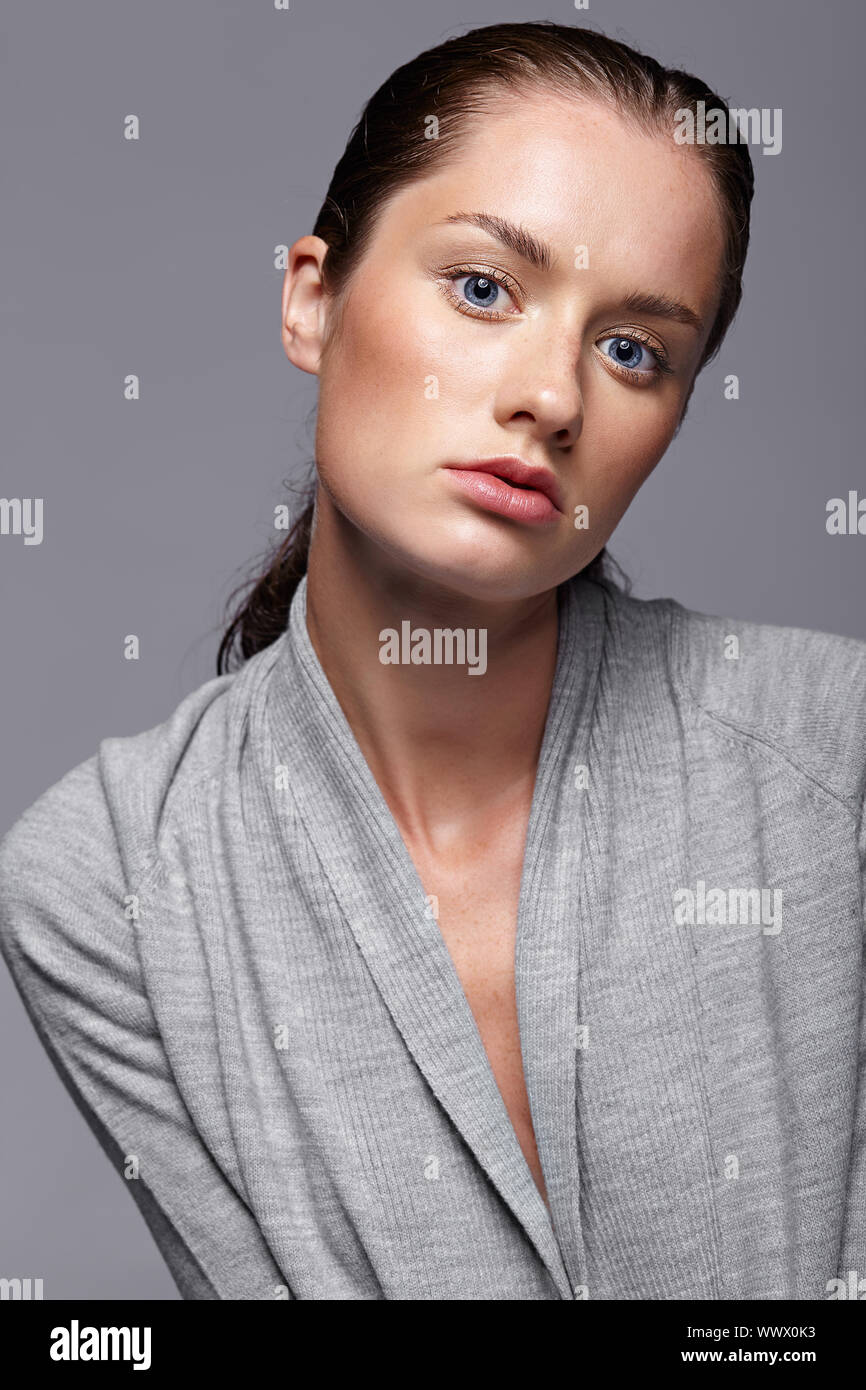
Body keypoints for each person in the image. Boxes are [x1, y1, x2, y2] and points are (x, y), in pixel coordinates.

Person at [1, 20, 864, 1301]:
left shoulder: (833, 761)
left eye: (633, 350)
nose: (552, 397)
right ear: (312, 297)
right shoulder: (106, 882)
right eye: (481, 288)